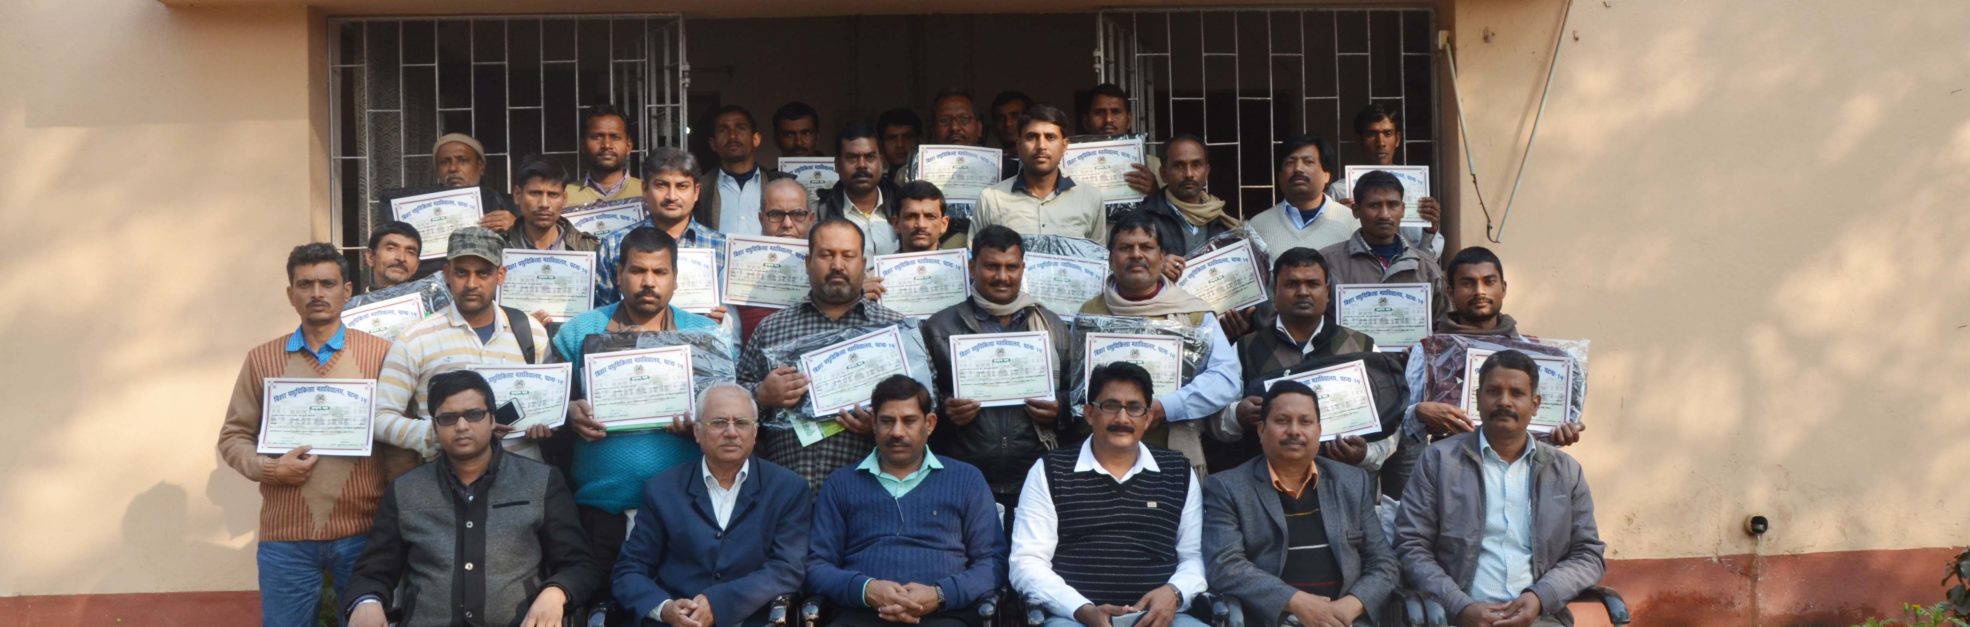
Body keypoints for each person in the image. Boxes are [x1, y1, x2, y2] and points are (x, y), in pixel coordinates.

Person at [216, 243, 405, 626]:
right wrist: (270, 469)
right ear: (291, 294)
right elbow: (233, 437)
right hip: (286, 537)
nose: (317, 293)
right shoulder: (262, 359)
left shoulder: (383, 355)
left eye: (327, 283)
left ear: (347, 290)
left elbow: (399, 444)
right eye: (305, 284)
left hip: (365, 533)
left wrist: (396, 519)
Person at [552, 226, 727, 616]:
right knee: (601, 613)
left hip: (686, 512)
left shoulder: (705, 335)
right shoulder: (578, 332)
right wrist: (568, 412)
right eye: (637, 270)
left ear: (676, 278)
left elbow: (728, 419)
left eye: (660, 272)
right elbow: (548, 407)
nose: (649, 282)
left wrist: (701, 426)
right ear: (618, 274)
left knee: (680, 613)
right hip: (601, 511)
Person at [344, 371, 600, 627]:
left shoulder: (540, 481)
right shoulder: (405, 490)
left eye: (474, 414)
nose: (462, 426)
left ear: (492, 419)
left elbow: (579, 565)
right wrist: (367, 601)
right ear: (435, 426)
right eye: (448, 418)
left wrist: (556, 591)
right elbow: (372, 571)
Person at [1395, 351, 1606, 627]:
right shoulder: (1439, 461)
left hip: (1540, 618)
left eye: (1517, 393)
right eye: (1494, 391)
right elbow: (1410, 546)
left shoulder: (1565, 472)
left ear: (1535, 404)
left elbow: (1588, 554)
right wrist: (1459, 606)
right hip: (1457, 618)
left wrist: (1540, 597)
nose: (1504, 401)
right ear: (1478, 398)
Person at [1009, 362, 1207, 627]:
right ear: (1089, 413)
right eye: (1110, 406)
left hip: (1163, 618)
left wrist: (1174, 593)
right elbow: (1027, 561)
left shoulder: (1178, 471)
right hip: (1074, 619)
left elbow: (1194, 556)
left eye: (1134, 408)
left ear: (1148, 418)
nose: (1122, 419)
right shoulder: (1050, 470)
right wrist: (1082, 609)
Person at [805, 375, 1008, 627]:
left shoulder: (967, 480)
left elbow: (992, 564)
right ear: (874, 424)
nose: (897, 432)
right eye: (887, 421)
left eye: (909, 421)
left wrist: (939, 594)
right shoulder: (841, 484)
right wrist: (866, 589)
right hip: (858, 615)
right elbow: (817, 566)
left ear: (930, 423)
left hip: (946, 617)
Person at [613, 383, 812, 627]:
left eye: (741, 423)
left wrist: (718, 605)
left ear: (755, 432)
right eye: (719, 422)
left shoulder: (788, 488)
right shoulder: (662, 489)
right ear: (697, 432)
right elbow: (629, 570)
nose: (731, 432)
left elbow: (786, 569)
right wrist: (665, 609)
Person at [1202, 380, 1397, 627]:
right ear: (1261, 430)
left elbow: (1384, 563)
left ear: (1319, 430)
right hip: (1273, 620)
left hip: (1347, 619)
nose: (1294, 431)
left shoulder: (1351, 481)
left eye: (1305, 422)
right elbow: (1225, 567)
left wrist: (1348, 607)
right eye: (1282, 421)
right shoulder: (1227, 488)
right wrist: (1298, 603)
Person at [738, 218, 908, 489]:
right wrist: (762, 395)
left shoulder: (896, 328)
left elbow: (926, 405)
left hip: (870, 492)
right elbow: (733, 398)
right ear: (808, 262)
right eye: (826, 255)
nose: (837, 265)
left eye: (848, 255)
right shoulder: (771, 329)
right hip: (782, 493)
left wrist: (881, 426)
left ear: (863, 264)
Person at [371, 227, 556, 461]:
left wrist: (544, 421)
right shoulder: (416, 339)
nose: (471, 284)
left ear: (500, 276)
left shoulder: (531, 331)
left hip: (522, 475)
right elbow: (379, 418)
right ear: (447, 274)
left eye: (483, 273)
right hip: (447, 477)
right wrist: (437, 433)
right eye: (461, 273)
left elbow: (550, 403)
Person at [919, 225, 1070, 507]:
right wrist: (946, 409)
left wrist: (1059, 407)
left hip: (1035, 475)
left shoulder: (1052, 325)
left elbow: (1078, 394)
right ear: (972, 267)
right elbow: (920, 401)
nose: (1002, 277)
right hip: (962, 475)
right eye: (991, 266)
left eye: (1011, 267)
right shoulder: (939, 327)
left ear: (1023, 268)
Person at [1079, 215, 1241, 471]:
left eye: (1146, 247)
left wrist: (1166, 408)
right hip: (1099, 457)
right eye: (1125, 248)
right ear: (1110, 260)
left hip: (1172, 453)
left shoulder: (1193, 313)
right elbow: (1077, 386)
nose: (1136, 255)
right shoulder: (1089, 313)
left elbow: (1227, 379)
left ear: (1162, 256)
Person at [1212, 247, 1380, 473]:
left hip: (1342, 481)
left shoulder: (1363, 347)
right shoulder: (1244, 348)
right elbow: (1213, 420)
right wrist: (1237, 415)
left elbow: (1390, 419)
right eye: (1292, 284)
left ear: (1327, 292)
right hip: (1263, 482)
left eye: (1312, 284)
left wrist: (1366, 454)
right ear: (1275, 293)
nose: (1303, 292)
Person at [595, 148, 730, 318]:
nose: (671, 196)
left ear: (696, 192)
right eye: (661, 185)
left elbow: (738, 319)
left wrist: (721, 321)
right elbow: (602, 315)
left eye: (682, 186)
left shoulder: (723, 248)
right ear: (645, 189)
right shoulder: (614, 245)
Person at [1317, 170, 1449, 322]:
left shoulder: (1427, 266)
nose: (1385, 215)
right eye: (1374, 205)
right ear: (1356, 211)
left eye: (1393, 205)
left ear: (1403, 210)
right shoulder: (1328, 263)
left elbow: (1442, 324)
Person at [972, 104, 1108, 244]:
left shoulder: (1090, 197)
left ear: (1064, 145)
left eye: (1050, 137)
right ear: (1019, 145)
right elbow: (975, 254)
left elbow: (1097, 255)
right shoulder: (991, 199)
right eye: (1031, 137)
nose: (1041, 146)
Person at [1335, 104, 1442, 258]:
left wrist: (1430, 229)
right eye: (1372, 134)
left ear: (1397, 139)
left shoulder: (1416, 186)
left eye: (1388, 133)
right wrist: (1338, 217)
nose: (1380, 142)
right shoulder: (1340, 190)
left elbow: (1428, 257)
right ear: (1360, 140)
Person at [1246, 135, 1359, 254]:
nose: (1298, 169)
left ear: (1326, 175)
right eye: (1289, 162)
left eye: (1308, 162)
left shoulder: (1353, 222)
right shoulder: (1258, 225)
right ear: (1279, 176)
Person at [1132, 135, 1237, 258]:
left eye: (1196, 165)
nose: (1189, 174)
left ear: (1207, 172)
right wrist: (1160, 265)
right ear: (1164, 174)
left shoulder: (1224, 221)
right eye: (1179, 166)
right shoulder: (1140, 221)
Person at [695, 105, 782, 236]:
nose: (732, 136)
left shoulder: (777, 184)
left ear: (756, 139)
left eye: (741, 128)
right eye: (723, 130)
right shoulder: (700, 189)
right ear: (713, 144)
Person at [816, 123, 901, 257]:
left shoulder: (902, 206)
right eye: (852, 158)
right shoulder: (820, 213)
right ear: (837, 165)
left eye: (870, 157)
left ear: (882, 161)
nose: (862, 165)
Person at [1079, 83, 1160, 197]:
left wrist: (1155, 192)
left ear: (1129, 120)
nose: (1108, 119)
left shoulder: (1153, 166)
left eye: (1116, 112)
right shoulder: (1069, 167)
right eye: (1100, 112)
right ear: (1086, 121)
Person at [504, 156, 600, 252]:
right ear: (517, 195)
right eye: (535, 193)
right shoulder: (498, 248)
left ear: (564, 199)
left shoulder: (590, 249)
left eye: (553, 195)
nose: (544, 204)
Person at [430, 132, 520, 232]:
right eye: (444, 162)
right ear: (436, 171)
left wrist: (518, 228)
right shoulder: (423, 207)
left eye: (462, 160)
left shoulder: (511, 205)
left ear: (481, 167)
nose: (453, 168)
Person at [565, 105, 643, 207]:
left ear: (628, 146)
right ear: (582, 145)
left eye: (615, 137)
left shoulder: (646, 193)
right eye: (597, 137)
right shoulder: (564, 196)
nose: (606, 145)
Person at [894, 180, 966, 253]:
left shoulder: (959, 261)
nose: (921, 225)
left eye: (930, 217)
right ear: (896, 224)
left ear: (943, 224)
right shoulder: (885, 262)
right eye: (911, 216)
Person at [362, 220, 422, 293]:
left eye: (410, 252)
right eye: (391, 248)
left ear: (416, 266)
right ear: (370, 257)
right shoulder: (355, 300)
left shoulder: (429, 299)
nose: (401, 258)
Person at [876, 108, 924, 187]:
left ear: (919, 141)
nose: (900, 144)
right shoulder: (876, 188)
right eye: (892, 138)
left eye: (907, 137)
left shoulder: (931, 183)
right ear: (881, 145)